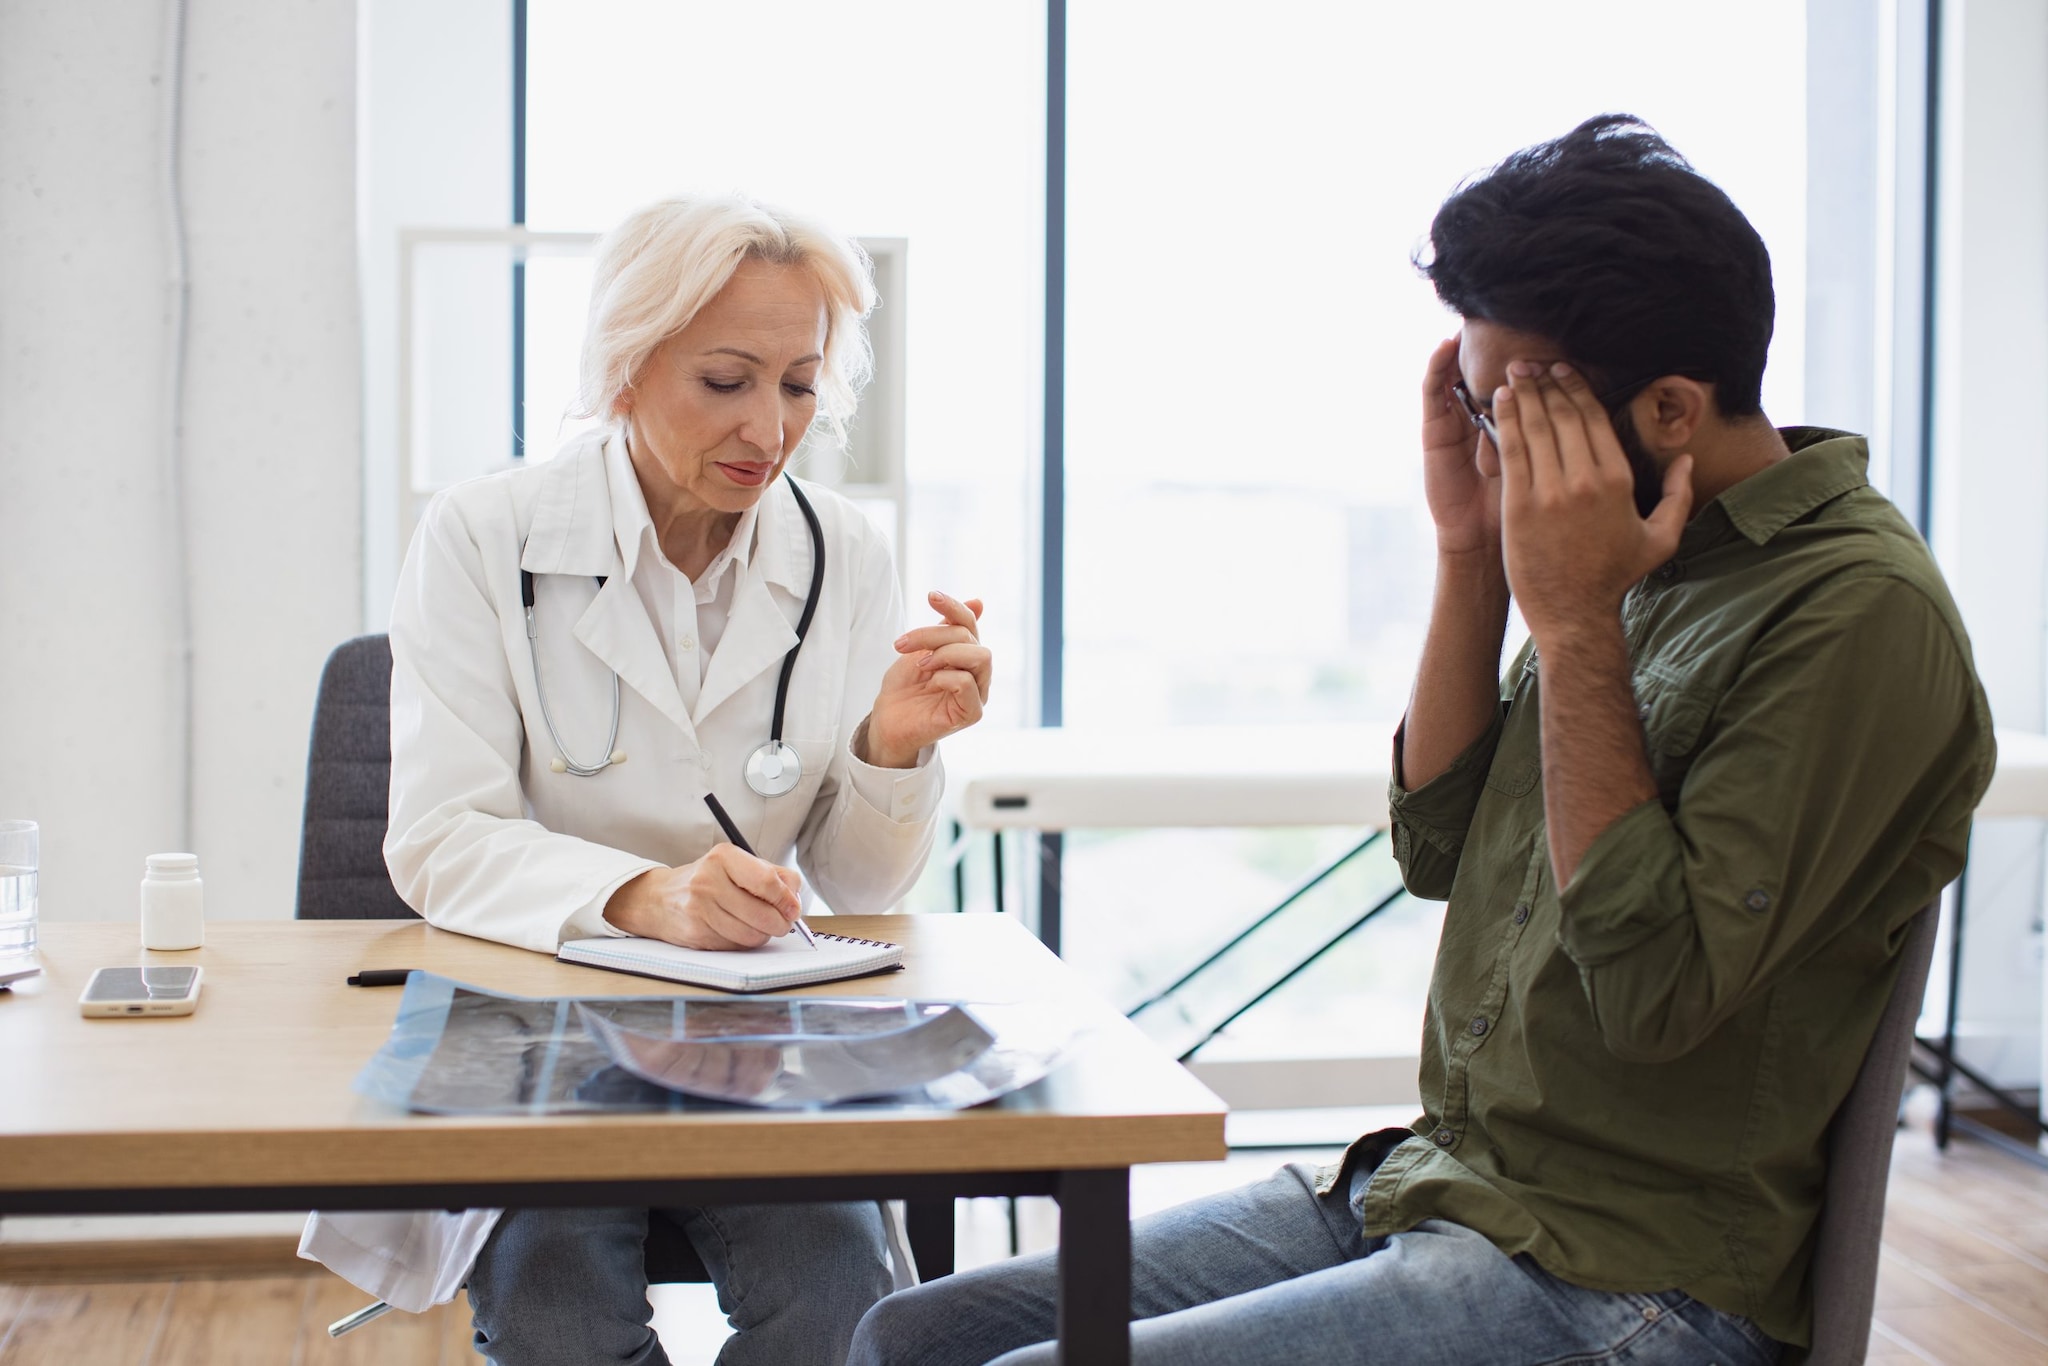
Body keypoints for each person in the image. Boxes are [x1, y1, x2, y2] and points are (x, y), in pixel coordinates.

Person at [847, 115, 1992, 1366]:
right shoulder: (1634, 555)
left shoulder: (1852, 613)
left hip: (1627, 1277)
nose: (1494, 440)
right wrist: (1472, 557)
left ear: (1667, 407)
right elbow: (1437, 843)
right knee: (916, 1336)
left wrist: (1568, 619)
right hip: (1438, 1187)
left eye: (1511, 410)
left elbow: (1656, 993)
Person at [301, 194, 992, 1366]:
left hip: (754, 1028)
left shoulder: (841, 554)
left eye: (798, 384)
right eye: (724, 380)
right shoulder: (484, 535)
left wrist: (893, 746)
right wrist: (643, 896)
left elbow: (854, 880)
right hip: (537, 1016)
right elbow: (438, 839)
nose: (767, 428)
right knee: (556, 1310)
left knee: (839, 1308)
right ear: (624, 369)